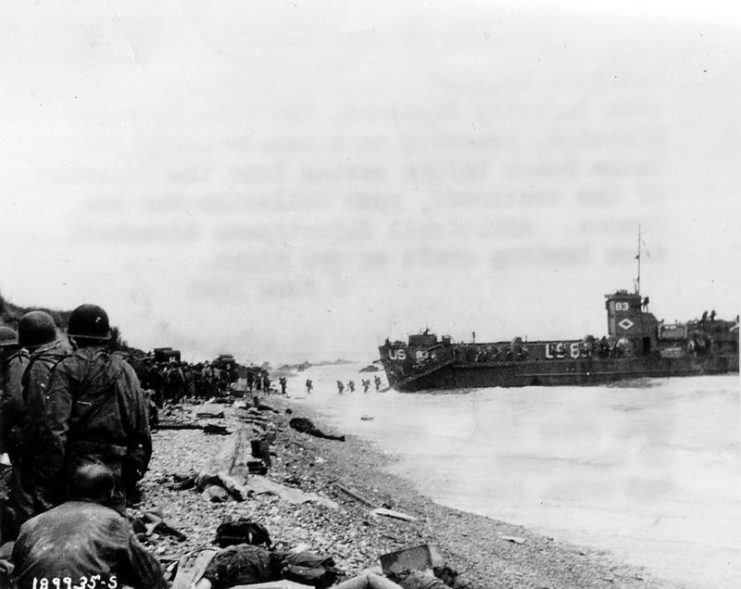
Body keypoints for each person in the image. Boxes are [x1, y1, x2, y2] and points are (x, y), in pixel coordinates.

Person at [31, 304, 152, 514]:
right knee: (113, 531)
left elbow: (54, 430)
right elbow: (142, 431)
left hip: (76, 471)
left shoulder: (66, 369)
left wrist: (46, 480)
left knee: (73, 530)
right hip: (116, 467)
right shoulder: (126, 370)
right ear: (106, 337)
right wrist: (132, 475)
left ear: (72, 338)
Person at [12, 464, 166, 589]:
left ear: (69, 490)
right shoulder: (112, 520)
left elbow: (19, 571)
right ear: (109, 493)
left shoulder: (31, 524)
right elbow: (149, 573)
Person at [6, 312, 71, 533]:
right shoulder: (67, 357)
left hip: (48, 445)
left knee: (37, 499)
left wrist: (24, 441)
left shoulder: (39, 366)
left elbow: (36, 415)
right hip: (71, 444)